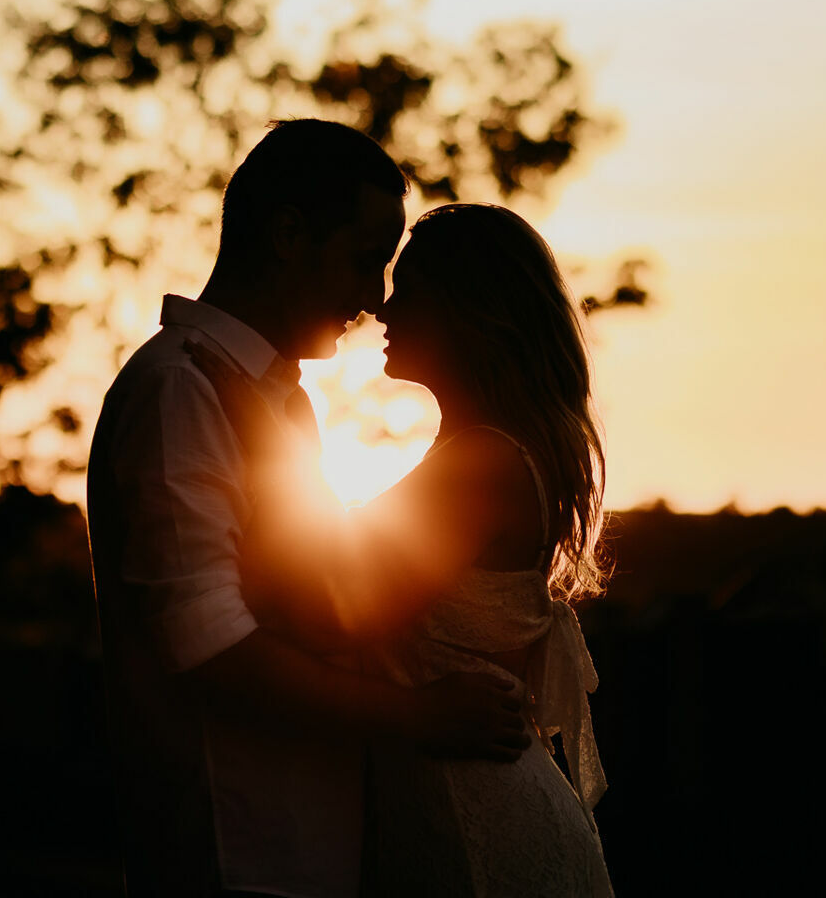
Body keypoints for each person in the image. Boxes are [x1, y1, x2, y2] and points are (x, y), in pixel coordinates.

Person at [84, 120, 533, 898]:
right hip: (235, 850)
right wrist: (416, 714)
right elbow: (206, 645)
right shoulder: (179, 391)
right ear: (289, 234)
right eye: (365, 261)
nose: (375, 298)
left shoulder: (276, 402)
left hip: (309, 850)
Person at [188, 202, 615, 896]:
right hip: (453, 809)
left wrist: (262, 426)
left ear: (470, 311)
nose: (382, 307)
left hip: (478, 830)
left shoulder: (480, 465)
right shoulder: (479, 455)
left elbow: (327, 613)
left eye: (408, 288)